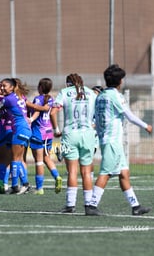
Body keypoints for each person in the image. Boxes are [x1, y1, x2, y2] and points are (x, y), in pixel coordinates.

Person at [85, 64, 152, 216]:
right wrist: (145, 125)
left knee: (124, 173)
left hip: (107, 139)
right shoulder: (115, 96)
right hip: (112, 141)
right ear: (120, 81)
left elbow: (95, 117)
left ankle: (135, 206)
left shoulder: (100, 96)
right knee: (106, 173)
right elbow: (129, 115)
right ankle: (91, 205)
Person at [51, 73, 97, 213]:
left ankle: (70, 205)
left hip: (69, 135)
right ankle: (89, 205)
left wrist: (56, 130)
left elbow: (53, 112)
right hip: (88, 135)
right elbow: (97, 115)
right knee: (86, 172)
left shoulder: (64, 92)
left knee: (72, 171)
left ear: (67, 83)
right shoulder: (91, 93)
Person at [0, 78, 32, 194]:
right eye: (0, 86)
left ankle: (14, 185)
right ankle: (25, 184)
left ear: (12, 87)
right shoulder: (18, 96)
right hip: (25, 129)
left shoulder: (7, 99)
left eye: (4, 86)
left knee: (12, 160)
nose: (2, 88)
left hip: (18, 129)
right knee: (18, 159)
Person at [29, 78, 62, 195]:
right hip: (48, 133)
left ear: (40, 87)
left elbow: (37, 110)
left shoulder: (38, 99)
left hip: (38, 133)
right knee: (46, 157)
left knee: (38, 161)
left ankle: (39, 188)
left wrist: (28, 106)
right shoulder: (51, 99)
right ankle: (57, 176)